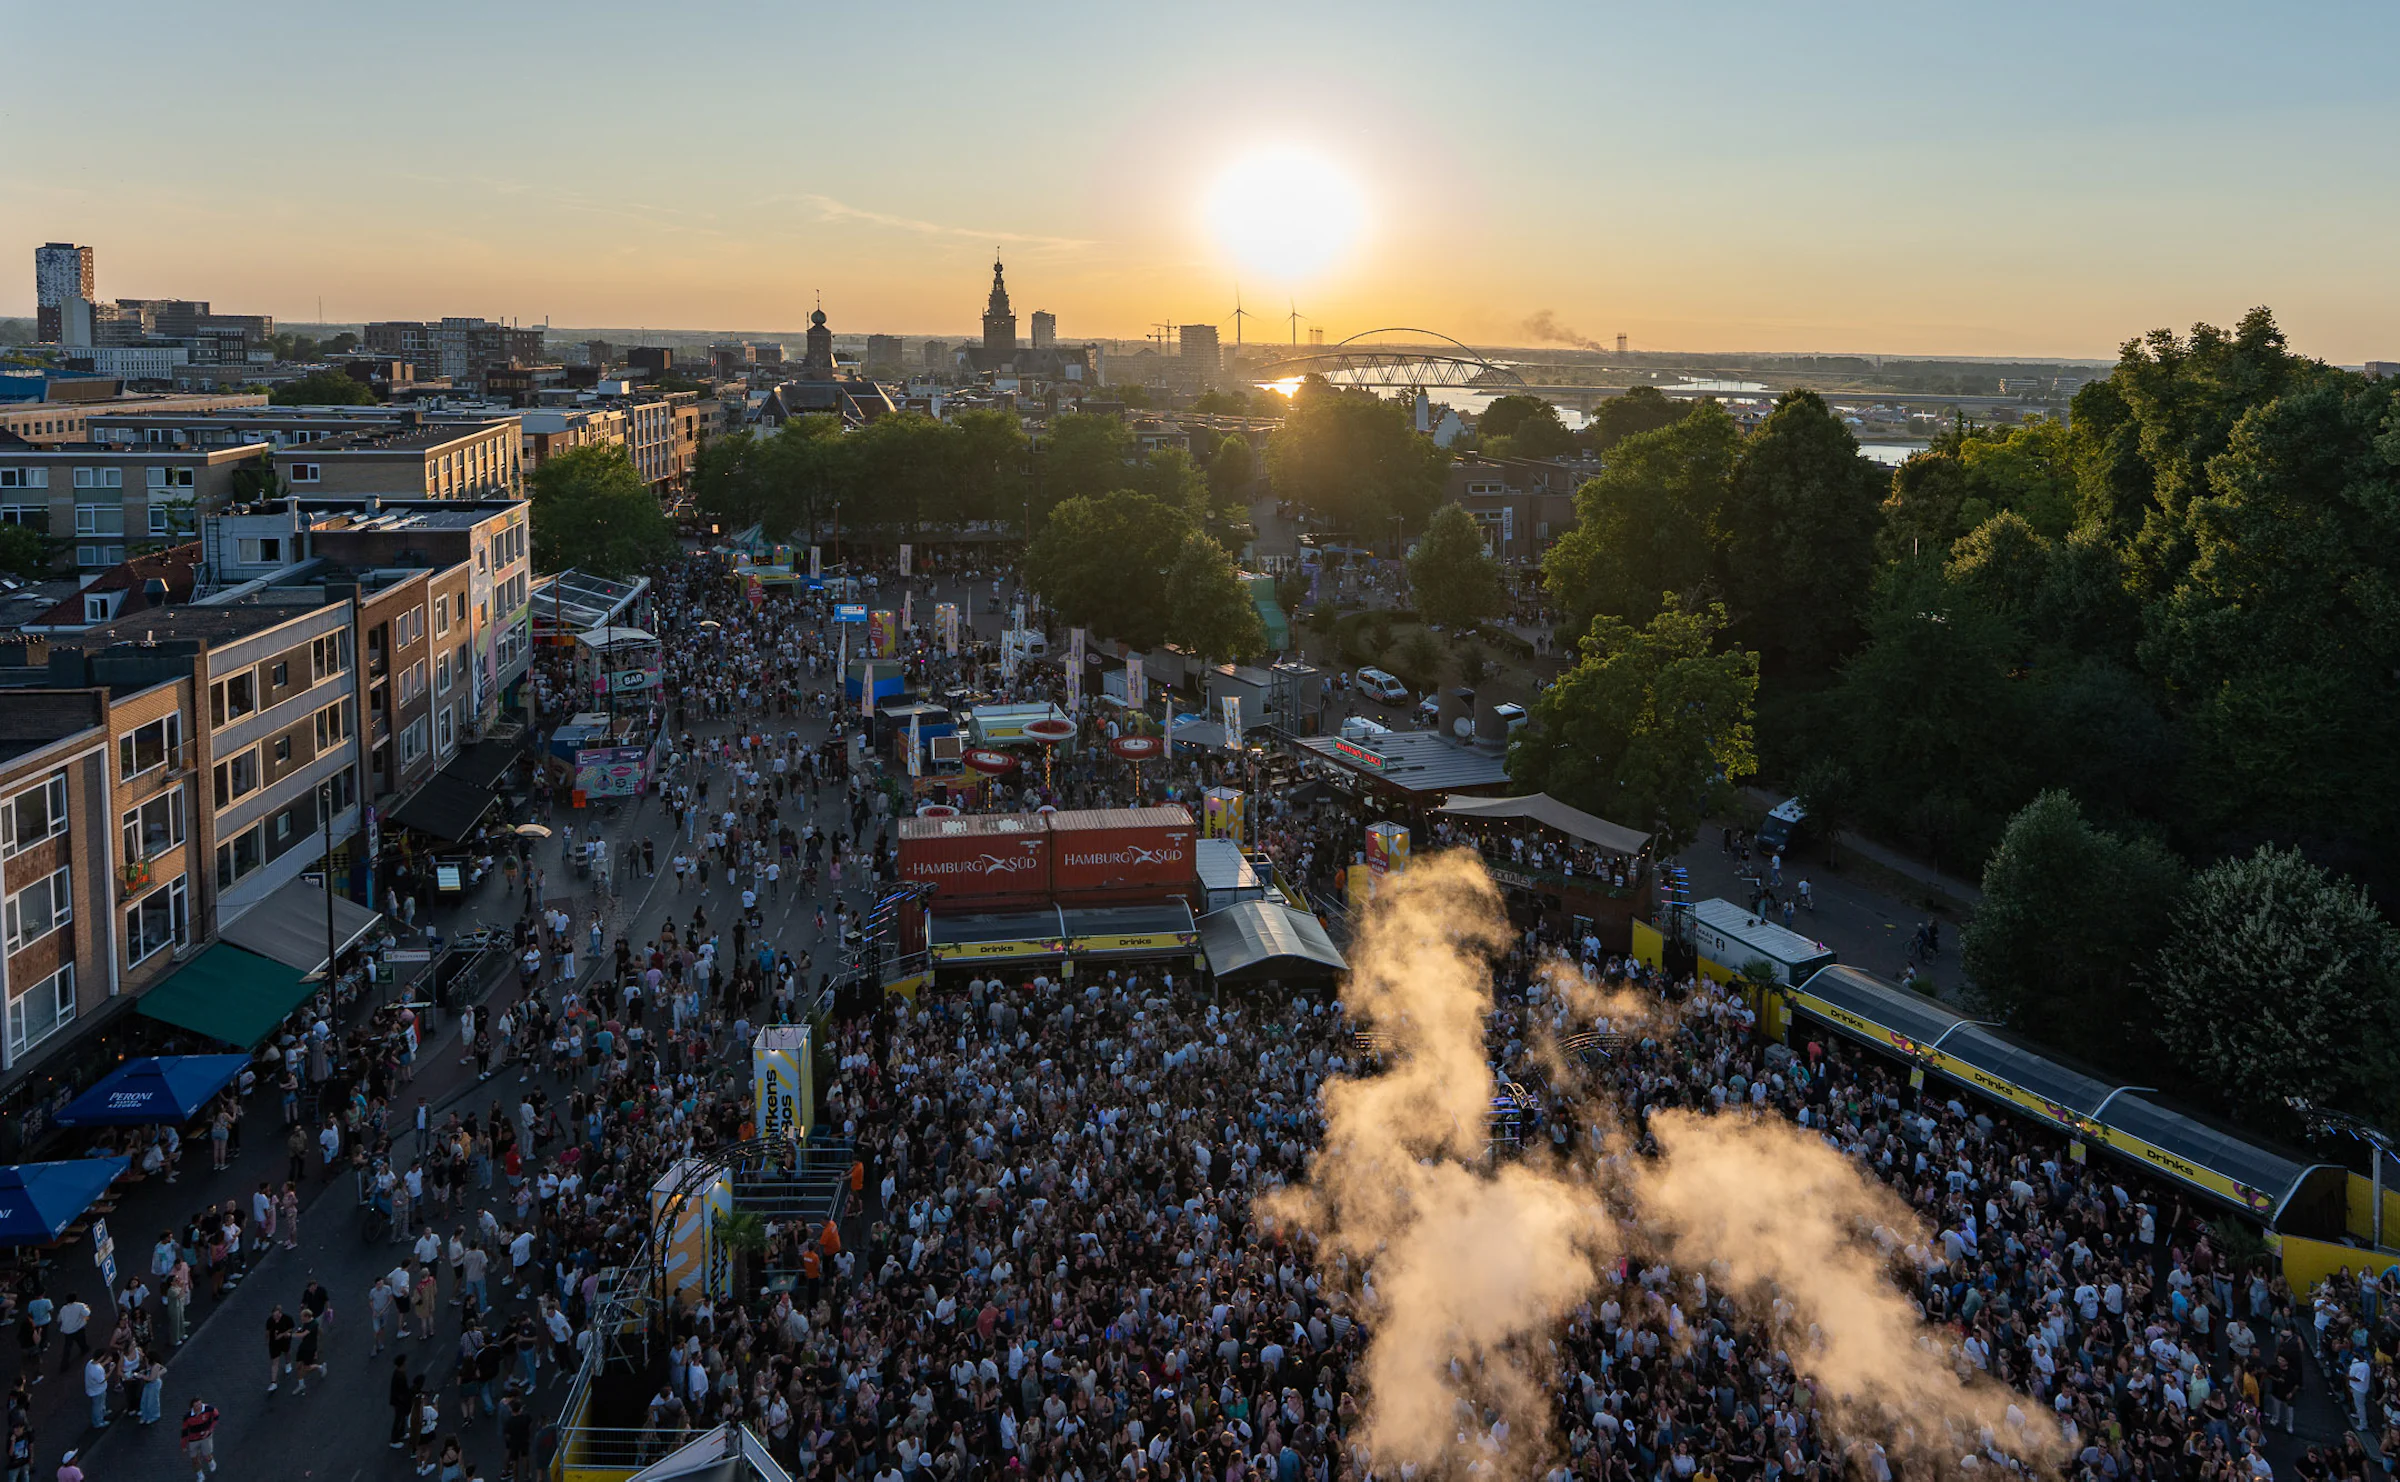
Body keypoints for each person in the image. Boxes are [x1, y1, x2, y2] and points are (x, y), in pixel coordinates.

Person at [180, 1396, 220, 1480]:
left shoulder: (209, 1409)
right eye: (196, 1405)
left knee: (206, 1455)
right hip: (193, 1439)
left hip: (205, 1436)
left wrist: (210, 1429)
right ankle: (200, 1475)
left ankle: (210, 1461)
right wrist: (183, 1445)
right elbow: (184, 1431)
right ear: (192, 1407)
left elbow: (216, 1416)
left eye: (200, 1404)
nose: (199, 1406)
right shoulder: (187, 1417)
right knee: (194, 1459)